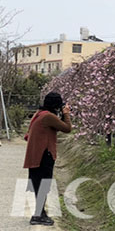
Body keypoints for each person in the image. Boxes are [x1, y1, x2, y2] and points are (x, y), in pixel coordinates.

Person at [23, 92, 72, 226]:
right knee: (43, 185)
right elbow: (67, 128)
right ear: (56, 105)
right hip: (43, 155)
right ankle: (38, 215)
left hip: (36, 154)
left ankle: (40, 213)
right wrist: (66, 113)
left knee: (40, 184)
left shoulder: (40, 113)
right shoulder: (48, 117)